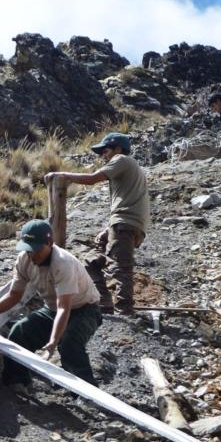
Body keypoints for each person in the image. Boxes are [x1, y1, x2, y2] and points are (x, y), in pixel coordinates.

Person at [44, 132, 150, 315]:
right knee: (90, 262)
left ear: (118, 149)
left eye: (106, 150)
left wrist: (62, 175)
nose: (104, 156)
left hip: (125, 224)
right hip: (124, 223)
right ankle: (104, 304)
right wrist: (109, 228)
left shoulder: (121, 159)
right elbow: (128, 202)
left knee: (120, 268)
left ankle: (125, 312)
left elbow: (93, 179)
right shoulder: (130, 169)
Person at [0, 220, 103, 389]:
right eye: (28, 249)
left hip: (84, 309)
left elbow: (64, 307)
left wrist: (52, 343)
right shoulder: (24, 260)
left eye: (36, 250)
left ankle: (86, 392)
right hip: (52, 309)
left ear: (49, 243)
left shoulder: (63, 263)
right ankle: (17, 380)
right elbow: (14, 295)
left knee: (69, 343)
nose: (32, 255)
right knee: (19, 332)